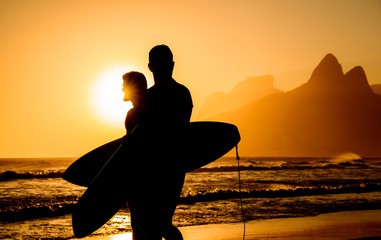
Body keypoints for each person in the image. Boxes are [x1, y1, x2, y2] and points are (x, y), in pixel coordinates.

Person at [121, 45, 193, 240]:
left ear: (173, 64)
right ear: (151, 67)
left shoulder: (181, 94)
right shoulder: (147, 98)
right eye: (160, 64)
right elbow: (132, 141)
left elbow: (178, 132)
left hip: (169, 171)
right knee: (142, 225)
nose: (165, 68)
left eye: (167, 64)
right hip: (143, 173)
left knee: (160, 224)